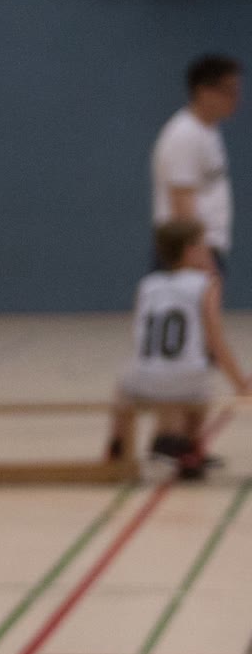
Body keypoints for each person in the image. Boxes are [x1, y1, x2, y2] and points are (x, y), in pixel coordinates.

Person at [106, 218, 249, 481]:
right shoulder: (206, 284)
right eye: (203, 245)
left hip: (144, 377)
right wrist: (241, 383)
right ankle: (189, 446)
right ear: (190, 250)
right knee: (201, 381)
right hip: (187, 382)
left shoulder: (148, 284)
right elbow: (215, 341)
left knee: (123, 386)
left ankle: (117, 445)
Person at [152, 55, 241, 276]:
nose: (236, 98)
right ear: (204, 91)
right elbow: (181, 200)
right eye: (228, 91)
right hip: (187, 255)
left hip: (202, 248)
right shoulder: (184, 134)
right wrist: (200, 256)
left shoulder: (208, 131)